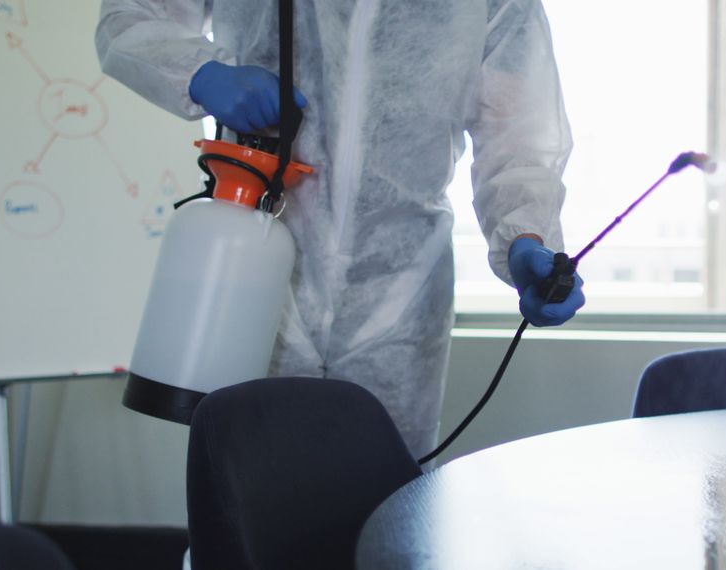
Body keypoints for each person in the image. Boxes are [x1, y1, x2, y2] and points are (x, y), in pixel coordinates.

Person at [96, 0, 585, 459]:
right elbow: (130, 16)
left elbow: (517, 129)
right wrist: (198, 71)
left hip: (402, 295)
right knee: (242, 511)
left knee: (385, 517)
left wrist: (527, 237)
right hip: (257, 275)